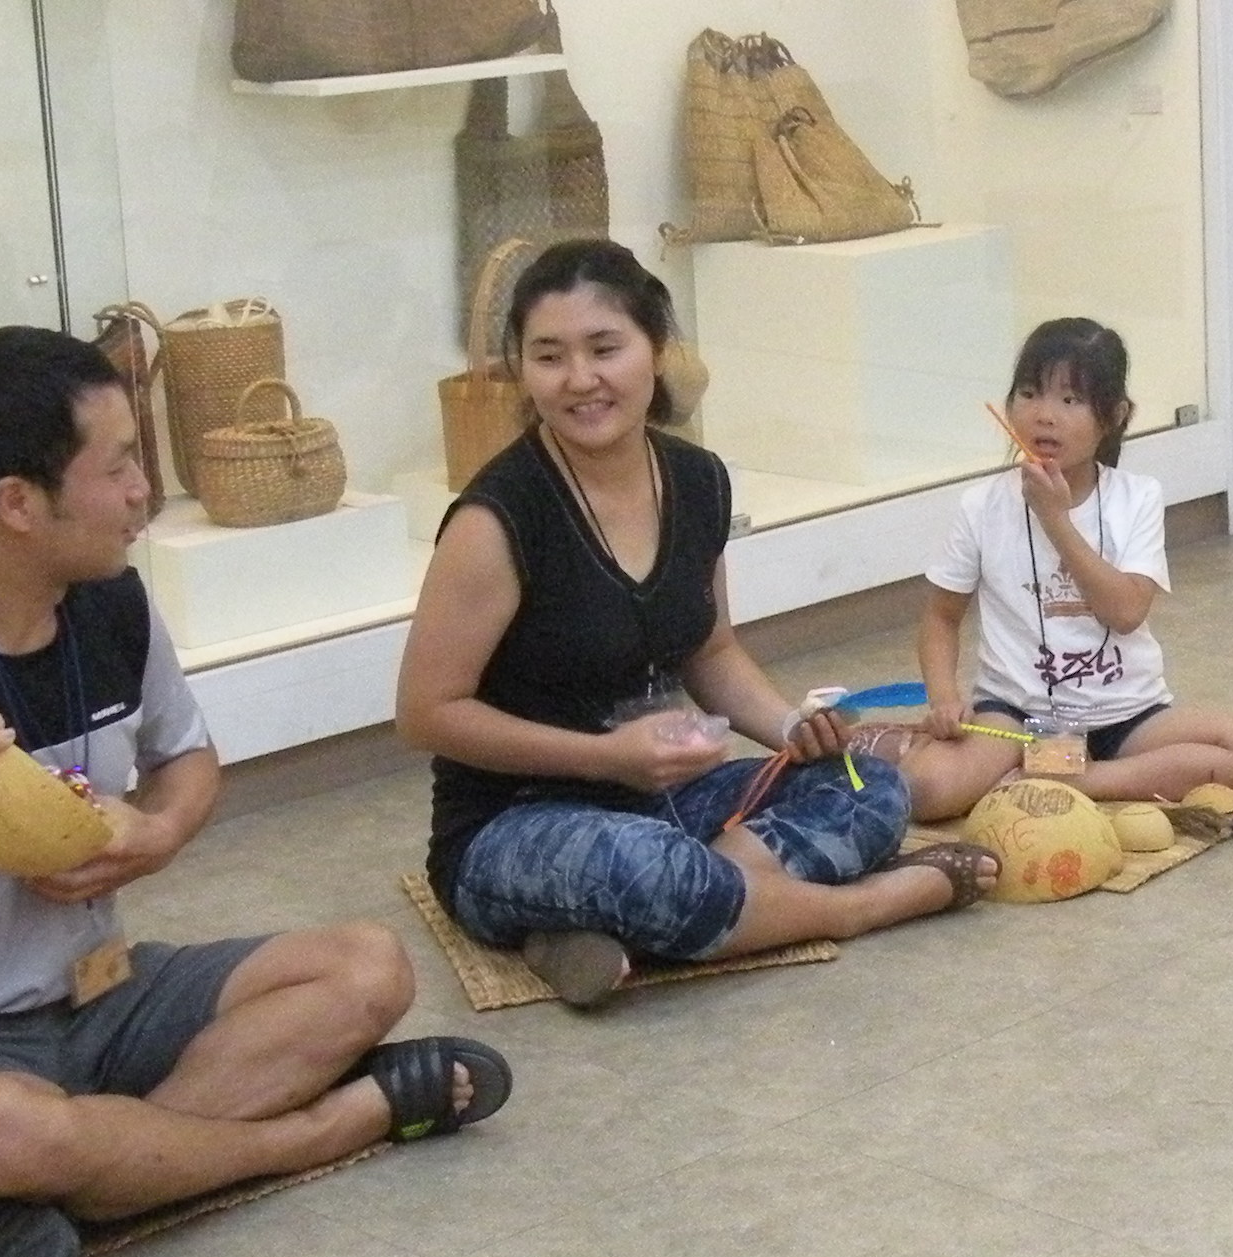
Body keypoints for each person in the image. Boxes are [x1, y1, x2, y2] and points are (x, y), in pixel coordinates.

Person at [0, 328, 503, 1257]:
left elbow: (187, 760)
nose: (141, 494)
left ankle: (69, 1185)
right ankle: (320, 1130)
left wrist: (154, 836)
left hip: (99, 998)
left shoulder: (109, 601)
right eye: (116, 467)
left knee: (368, 967)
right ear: (19, 503)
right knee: (10, 1133)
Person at [396, 239, 990, 1008]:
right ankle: (862, 906)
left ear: (656, 350)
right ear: (522, 368)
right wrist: (604, 758)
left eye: (604, 348)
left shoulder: (697, 480)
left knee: (871, 788)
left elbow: (711, 648)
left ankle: (630, 922)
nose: (579, 379)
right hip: (512, 826)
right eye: (549, 356)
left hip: (661, 800)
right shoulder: (496, 519)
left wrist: (790, 727)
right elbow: (425, 713)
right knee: (647, 868)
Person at [887, 318, 1233, 822]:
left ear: (1114, 416)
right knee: (923, 791)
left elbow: (1125, 612)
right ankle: (1051, 768)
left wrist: (1055, 519)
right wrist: (945, 699)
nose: (1044, 416)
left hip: (1127, 717)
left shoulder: (1137, 498)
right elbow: (941, 618)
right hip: (1015, 719)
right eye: (1029, 393)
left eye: (1070, 400)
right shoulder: (981, 506)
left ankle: (1084, 779)